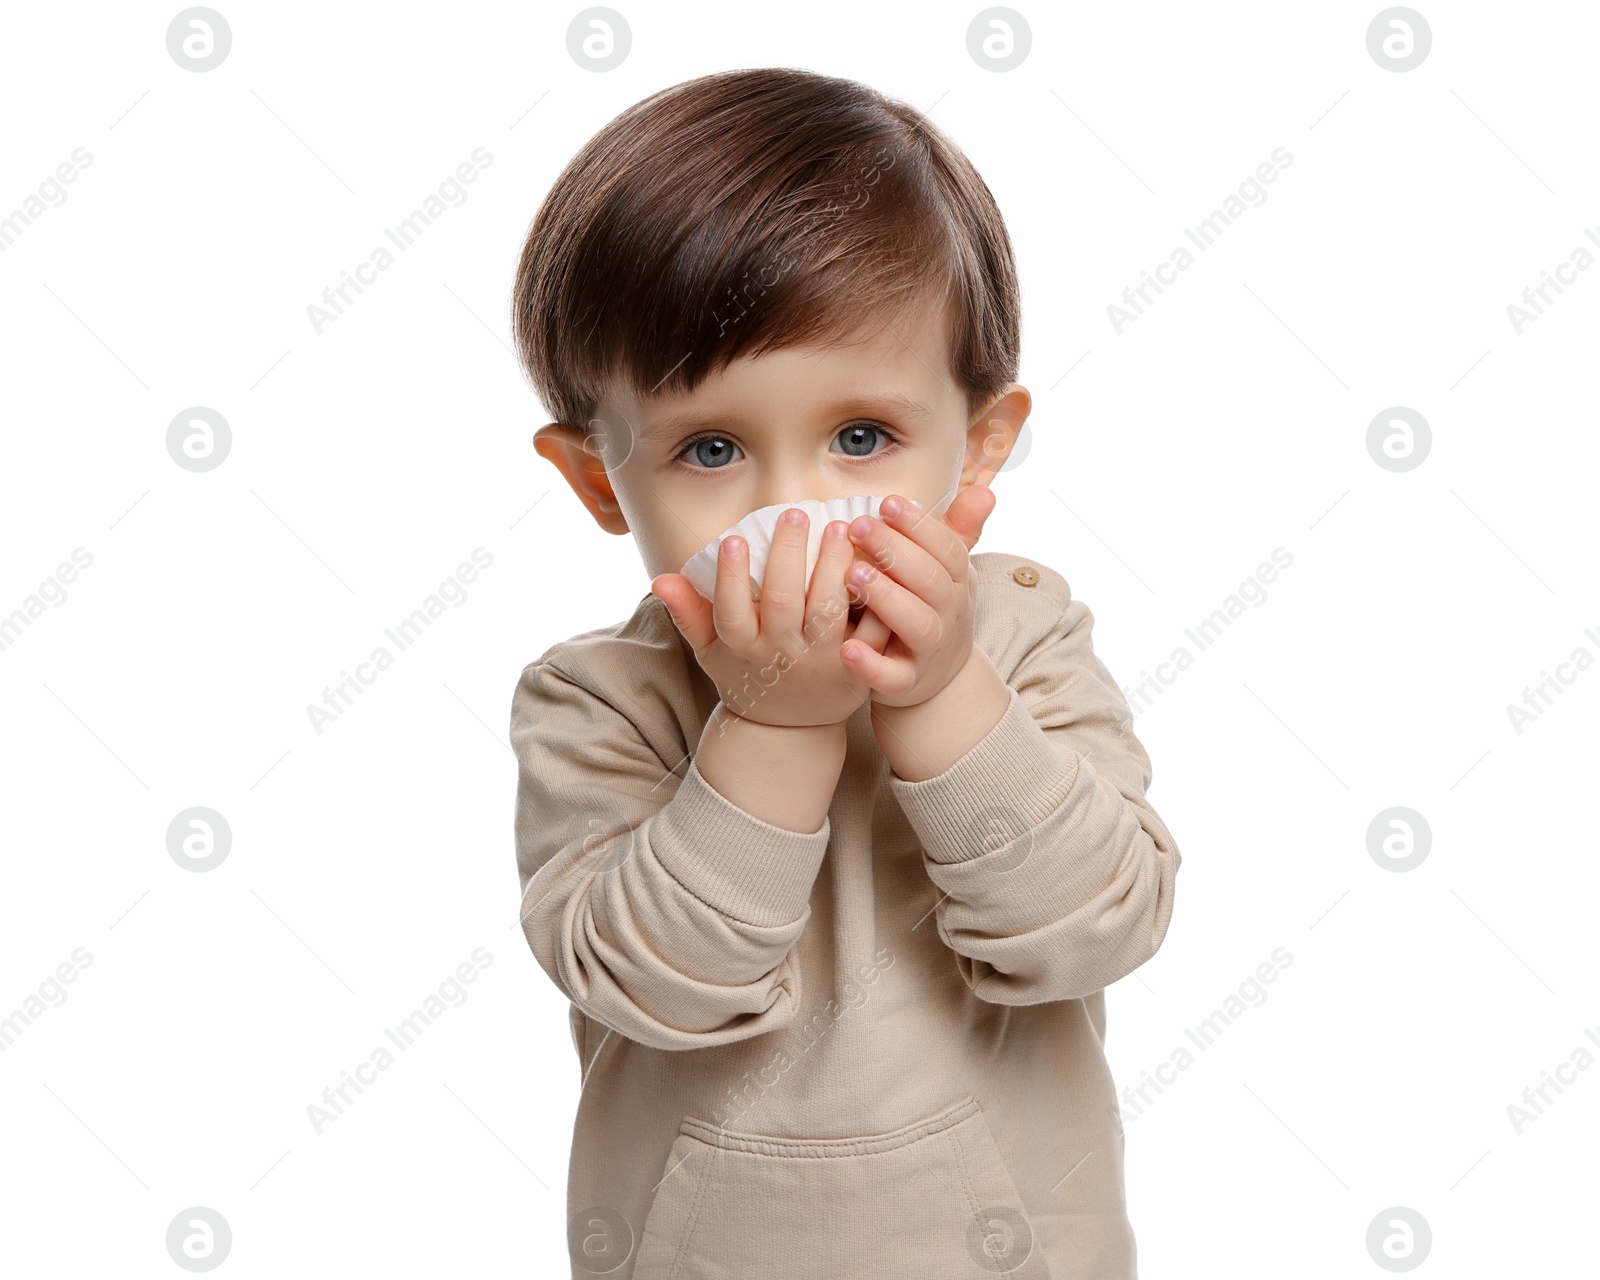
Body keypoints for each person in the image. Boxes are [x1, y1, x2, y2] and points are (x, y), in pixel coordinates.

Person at [508, 66, 1182, 1279]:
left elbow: (1095, 926)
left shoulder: (1023, 637)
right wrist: (772, 726)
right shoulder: (599, 701)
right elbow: (650, 983)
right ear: (603, 480)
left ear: (977, 442)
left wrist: (941, 695)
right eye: (710, 446)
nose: (795, 507)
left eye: (860, 437)